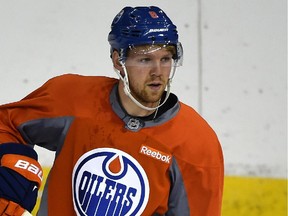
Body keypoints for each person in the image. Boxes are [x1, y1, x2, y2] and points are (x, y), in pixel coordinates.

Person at [0, 6, 224, 216]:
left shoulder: (196, 143)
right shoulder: (73, 99)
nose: (158, 72)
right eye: (145, 59)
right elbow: (5, 122)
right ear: (119, 61)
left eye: (165, 59)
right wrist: (12, 167)